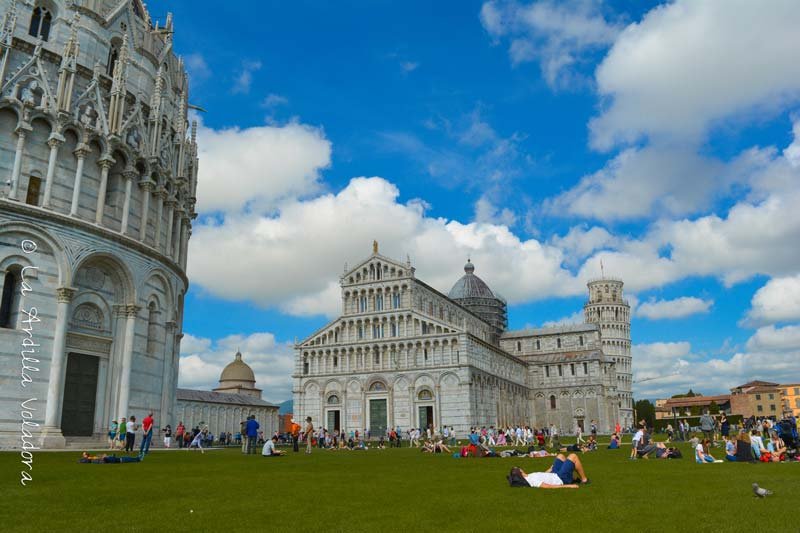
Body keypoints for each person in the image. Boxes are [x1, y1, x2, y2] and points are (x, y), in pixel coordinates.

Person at [514, 453, 590, 489]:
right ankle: (584, 480)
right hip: (560, 478)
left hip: (554, 474)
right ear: (519, 472)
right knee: (573, 456)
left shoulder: (528, 476)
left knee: (560, 456)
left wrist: (550, 469)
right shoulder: (530, 480)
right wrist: (569, 486)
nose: (519, 468)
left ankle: (571, 478)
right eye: (518, 468)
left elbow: (542, 476)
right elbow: (548, 486)